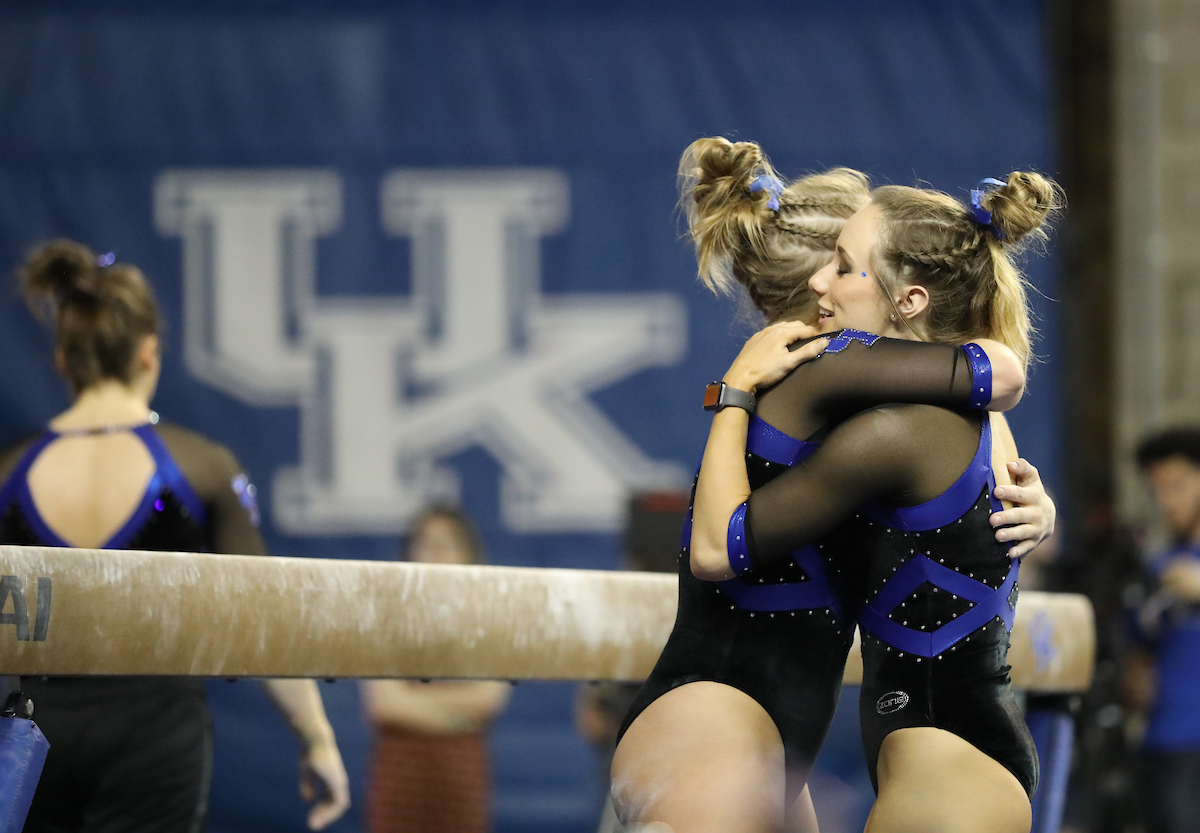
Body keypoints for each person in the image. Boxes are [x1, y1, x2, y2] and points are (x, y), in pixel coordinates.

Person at [611, 137, 1056, 833]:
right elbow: (998, 370)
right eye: (838, 264)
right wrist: (730, 396)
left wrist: (1039, 505)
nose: (832, 285)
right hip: (719, 719)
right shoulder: (822, 381)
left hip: (792, 741)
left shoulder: (889, 415)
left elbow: (991, 408)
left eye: (850, 268)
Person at [0, 239, 350, 832]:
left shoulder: (11, 474)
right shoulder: (202, 467)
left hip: (33, 728)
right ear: (149, 355)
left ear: (63, 360)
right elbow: (268, 621)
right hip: (153, 729)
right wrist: (316, 737)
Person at [361, 506, 511, 833]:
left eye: (446, 545)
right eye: (426, 545)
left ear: (468, 555)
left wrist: (414, 706)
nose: (434, 555)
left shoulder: (490, 619)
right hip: (400, 774)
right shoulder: (386, 619)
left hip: (460, 777)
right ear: (409, 554)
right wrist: (457, 716)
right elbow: (384, 705)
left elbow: (488, 702)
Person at [1131, 428, 1200, 833]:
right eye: (1157, 488)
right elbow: (1136, 655)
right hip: (1168, 746)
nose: (1166, 500)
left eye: (1178, 485)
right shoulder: (1157, 571)